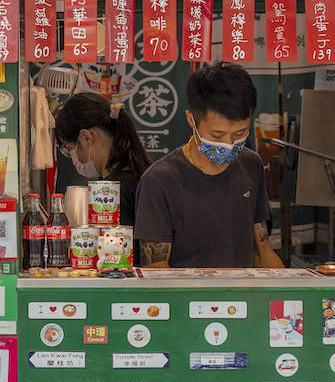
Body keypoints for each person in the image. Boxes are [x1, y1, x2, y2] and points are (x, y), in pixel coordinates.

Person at [134, 62, 284, 269]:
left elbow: (262, 252)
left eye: (239, 134)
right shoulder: (160, 180)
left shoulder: (251, 164)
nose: (229, 144)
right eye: (217, 135)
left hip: (242, 299)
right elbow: (156, 270)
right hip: (188, 299)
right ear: (191, 120)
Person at [53, 91, 152, 226]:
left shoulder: (115, 194)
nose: (73, 158)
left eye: (70, 149)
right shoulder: (134, 178)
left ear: (86, 138)